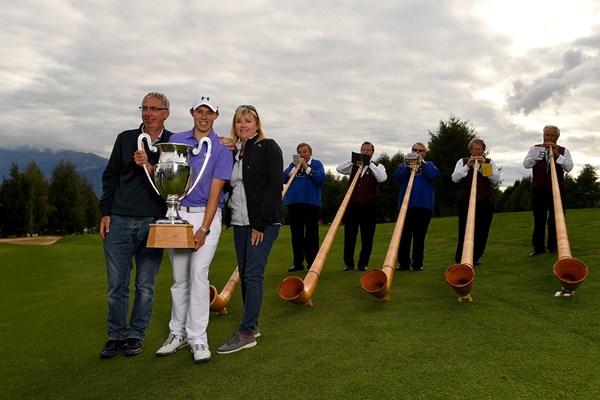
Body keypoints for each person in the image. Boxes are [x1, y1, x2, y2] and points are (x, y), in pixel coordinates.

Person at [154, 94, 233, 363]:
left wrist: (205, 229)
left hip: (206, 217)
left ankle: (198, 337)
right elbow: (165, 175)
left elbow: (215, 192)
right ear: (191, 112)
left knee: (199, 276)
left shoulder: (222, 148)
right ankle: (177, 334)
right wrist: (147, 164)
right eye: (199, 111)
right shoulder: (176, 141)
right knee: (179, 279)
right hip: (178, 216)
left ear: (216, 116)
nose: (204, 116)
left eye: (209, 112)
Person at [98, 92, 173, 358]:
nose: (148, 113)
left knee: (145, 285)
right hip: (119, 219)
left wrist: (151, 165)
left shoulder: (173, 143)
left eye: (155, 109)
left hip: (154, 221)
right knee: (116, 285)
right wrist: (105, 212)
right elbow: (110, 177)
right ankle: (116, 335)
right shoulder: (125, 138)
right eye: (145, 108)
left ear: (166, 113)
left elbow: (176, 185)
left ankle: (135, 335)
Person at [217, 105, 283, 355]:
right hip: (239, 223)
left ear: (257, 124)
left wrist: (259, 223)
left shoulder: (268, 147)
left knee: (254, 273)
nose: (243, 126)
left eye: (248, 121)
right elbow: (230, 186)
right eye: (238, 122)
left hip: (262, 223)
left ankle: (245, 333)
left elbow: (275, 185)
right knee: (245, 274)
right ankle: (252, 326)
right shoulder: (235, 152)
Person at [336, 141, 387, 271]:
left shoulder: (378, 166)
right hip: (352, 206)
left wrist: (370, 165)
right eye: (363, 150)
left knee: (367, 236)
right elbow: (339, 169)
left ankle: (363, 263)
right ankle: (348, 263)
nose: (365, 152)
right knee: (350, 235)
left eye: (368, 150)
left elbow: (382, 178)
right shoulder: (353, 166)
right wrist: (354, 161)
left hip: (369, 206)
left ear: (372, 152)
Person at [523, 125, 573, 256]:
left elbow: (569, 167)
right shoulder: (535, 148)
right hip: (539, 189)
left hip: (557, 189)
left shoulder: (563, 150)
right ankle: (538, 248)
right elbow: (526, 164)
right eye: (547, 135)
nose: (549, 138)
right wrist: (537, 155)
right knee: (539, 218)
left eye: (553, 135)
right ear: (543, 136)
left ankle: (555, 246)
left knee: (556, 218)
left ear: (557, 137)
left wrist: (557, 155)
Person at [451, 138, 501, 266]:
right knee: (464, 230)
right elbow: (455, 178)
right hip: (466, 201)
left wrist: (484, 166)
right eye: (475, 149)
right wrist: (468, 166)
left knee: (482, 231)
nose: (477, 152)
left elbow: (495, 179)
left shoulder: (489, 162)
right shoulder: (462, 161)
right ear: (471, 150)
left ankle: (474, 257)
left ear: (483, 150)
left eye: (480, 149)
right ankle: (461, 259)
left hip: (484, 202)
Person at [392, 142, 440, 271]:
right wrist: (408, 166)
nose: (417, 152)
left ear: (425, 153)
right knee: (404, 236)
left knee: (419, 236)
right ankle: (403, 263)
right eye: (415, 150)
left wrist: (422, 162)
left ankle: (418, 263)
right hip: (406, 206)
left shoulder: (429, 165)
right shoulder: (404, 165)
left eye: (420, 150)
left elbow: (434, 175)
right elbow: (397, 177)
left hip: (424, 206)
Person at [283, 143, 326, 272]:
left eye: (305, 152)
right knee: (296, 234)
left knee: (311, 234)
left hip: (311, 203)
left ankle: (313, 263)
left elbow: (321, 179)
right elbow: (283, 178)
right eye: (300, 152)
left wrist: (306, 167)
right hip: (294, 202)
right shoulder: (293, 165)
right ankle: (297, 263)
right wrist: (293, 169)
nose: (302, 155)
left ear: (310, 153)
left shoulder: (317, 164)